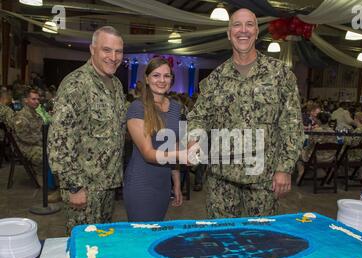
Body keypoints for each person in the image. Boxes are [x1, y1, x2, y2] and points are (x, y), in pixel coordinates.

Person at [187, 8, 304, 219]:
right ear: (228, 32)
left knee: (261, 241)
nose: (243, 30)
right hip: (221, 181)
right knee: (221, 240)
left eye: (249, 24)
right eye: (237, 25)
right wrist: (193, 140)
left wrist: (285, 168)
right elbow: (199, 116)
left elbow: (292, 124)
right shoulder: (216, 78)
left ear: (257, 32)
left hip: (263, 180)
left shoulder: (279, 74)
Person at [48, 26, 126, 235]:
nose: (113, 57)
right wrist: (74, 187)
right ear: (93, 49)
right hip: (84, 188)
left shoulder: (116, 84)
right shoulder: (76, 84)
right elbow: (59, 141)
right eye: (106, 50)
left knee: (101, 245)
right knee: (83, 246)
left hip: (107, 184)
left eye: (118, 51)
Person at [124, 57, 187, 222]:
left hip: (163, 185)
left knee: (156, 233)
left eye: (167, 76)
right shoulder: (137, 108)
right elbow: (148, 153)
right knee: (142, 237)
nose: (162, 80)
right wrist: (182, 155)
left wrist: (177, 184)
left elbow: (174, 147)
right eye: (156, 75)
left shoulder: (176, 107)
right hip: (141, 183)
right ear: (146, 78)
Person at [296, 112, 336, 183]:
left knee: (298, 155)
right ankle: (325, 174)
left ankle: (301, 173)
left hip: (316, 158)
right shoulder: (333, 132)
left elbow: (309, 145)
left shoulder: (316, 131)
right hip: (329, 158)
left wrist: (303, 149)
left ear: (319, 120)